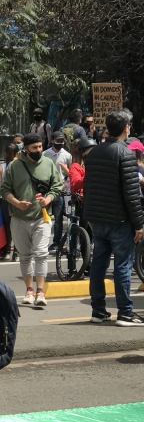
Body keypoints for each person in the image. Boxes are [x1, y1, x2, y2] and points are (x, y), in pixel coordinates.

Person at [84, 108, 144, 326]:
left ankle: (98, 310)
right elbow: (131, 192)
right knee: (122, 265)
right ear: (126, 128)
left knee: (99, 264)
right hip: (120, 220)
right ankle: (126, 311)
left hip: (98, 219)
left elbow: (89, 186)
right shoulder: (126, 154)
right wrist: (138, 223)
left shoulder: (94, 152)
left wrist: (89, 214)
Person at [1, 133, 62, 306]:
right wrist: (16, 203)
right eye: (34, 148)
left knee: (41, 254)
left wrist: (48, 199)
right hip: (19, 218)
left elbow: (58, 186)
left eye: (40, 147)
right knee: (25, 256)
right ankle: (29, 290)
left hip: (42, 217)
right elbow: (5, 190)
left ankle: (40, 292)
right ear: (25, 148)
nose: (38, 150)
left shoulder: (48, 164)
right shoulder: (14, 166)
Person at [43, 131, 72, 251]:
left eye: (61, 141)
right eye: (57, 141)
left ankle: (56, 242)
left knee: (58, 219)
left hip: (59, 190)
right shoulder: (45, 154)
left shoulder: (67, 155)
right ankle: (43, 241)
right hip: (46, 189)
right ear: (52, 141)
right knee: (44, 218)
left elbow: (71, 174)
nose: (60, 143)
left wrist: (65, 184)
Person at [0, 143, 20, 259]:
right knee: (18, 225)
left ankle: (6, 251)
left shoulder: (1, 167)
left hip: (5, 199)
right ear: (17, 153)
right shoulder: (21, 165)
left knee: (6, 226)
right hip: (18, 199)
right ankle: (17, 252)